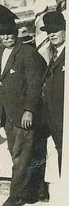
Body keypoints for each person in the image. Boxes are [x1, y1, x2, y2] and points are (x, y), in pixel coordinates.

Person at [0, 19, 47, 206]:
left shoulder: (28, 54)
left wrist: (29, 110)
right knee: (18, 154)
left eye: (10, 33)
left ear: (16, 34)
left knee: (20, 156)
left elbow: (34, 85)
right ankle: (39, 191)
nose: (6, 37)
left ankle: (15, 197)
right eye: (2, 34)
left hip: (23, 114)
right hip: (8, 114)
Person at [40, 10, 65, 171]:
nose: (51, 34)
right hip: (53, 115)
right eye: (49, 31)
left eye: (55, 29)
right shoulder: (52, 53)